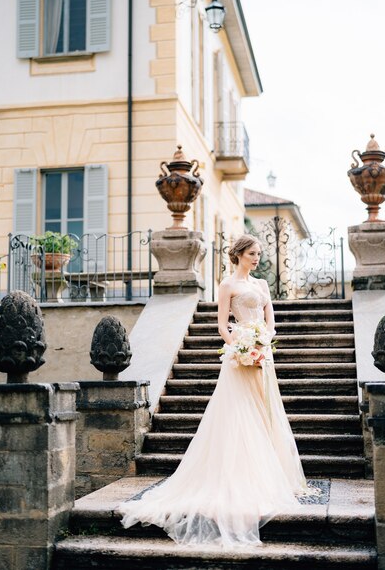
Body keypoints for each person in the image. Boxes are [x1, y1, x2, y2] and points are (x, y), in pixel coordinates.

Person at [119, 234, 308, 548]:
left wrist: (263, 342)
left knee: (265, 412)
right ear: (238, 255)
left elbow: (270, 321)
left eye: (259, 253)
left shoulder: (261, 285)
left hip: (263, 354)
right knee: (240, 414)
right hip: (239, 356)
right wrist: (240, 348)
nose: (257, 258)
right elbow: (222, 325)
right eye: (252, 253)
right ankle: (241, 475)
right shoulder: (227, 286)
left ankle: (271, 473)